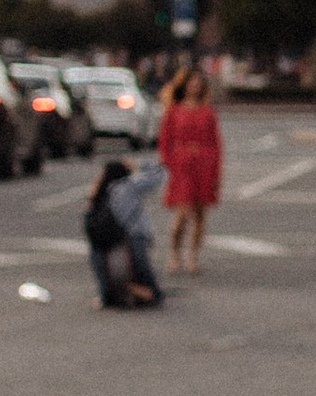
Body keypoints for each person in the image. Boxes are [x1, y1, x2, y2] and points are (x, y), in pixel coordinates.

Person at [160, 65, 223, 275]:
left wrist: (215, 171)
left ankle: (193, 257)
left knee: (200, 215)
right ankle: (174, 254)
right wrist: (170, 162)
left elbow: (215, 144)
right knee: (182, 213)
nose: (195, 85)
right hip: (182, 166)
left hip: (203, 165)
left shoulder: (208, 112)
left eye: (198, 82)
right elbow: (165, 142)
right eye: (191, 81)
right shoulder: (174, 111)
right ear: (184, 84)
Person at [84, 153, 164, 308]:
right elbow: (158, 174)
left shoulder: (108, 190)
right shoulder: (125, 187)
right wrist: (139, 165)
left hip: (118, 237)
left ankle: (111, 294)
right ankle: (148, 291)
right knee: (138, 265)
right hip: (127, 235)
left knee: (106, 263)